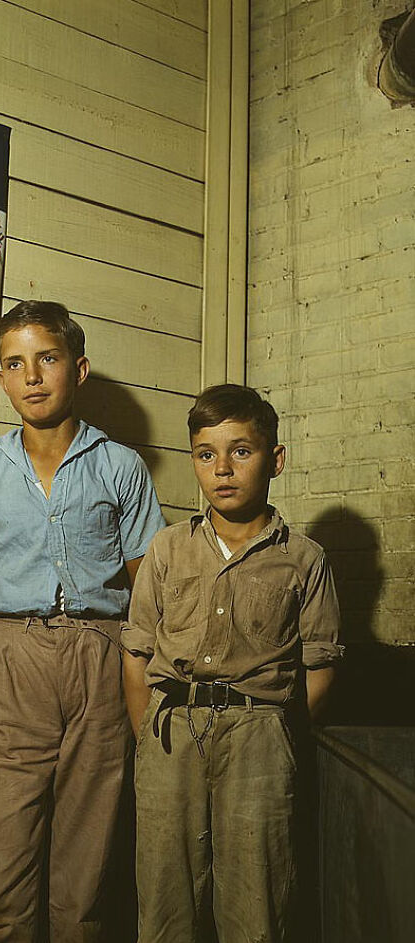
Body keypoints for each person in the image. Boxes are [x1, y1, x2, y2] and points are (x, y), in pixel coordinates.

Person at [0, 300, 165, 942]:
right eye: (15, 363)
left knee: (86, 854)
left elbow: (149, 584)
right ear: (2, 380)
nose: (32, 375)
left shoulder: (121, 466)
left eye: (48, 358)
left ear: (79, 368)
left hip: (102, 653)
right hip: (7, 656)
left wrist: (133, 670)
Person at [122, 384, 343, 943]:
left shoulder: (303, 559)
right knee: (165, 899)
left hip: (260, 737)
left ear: (276, 459)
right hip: (171, 732)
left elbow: (319, 665)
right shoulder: (167, 550)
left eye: (241, 451)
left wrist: (279, 737)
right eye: (206, 453)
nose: (222, 468)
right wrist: (147, 735)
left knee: (256, 904)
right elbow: (137, 652)